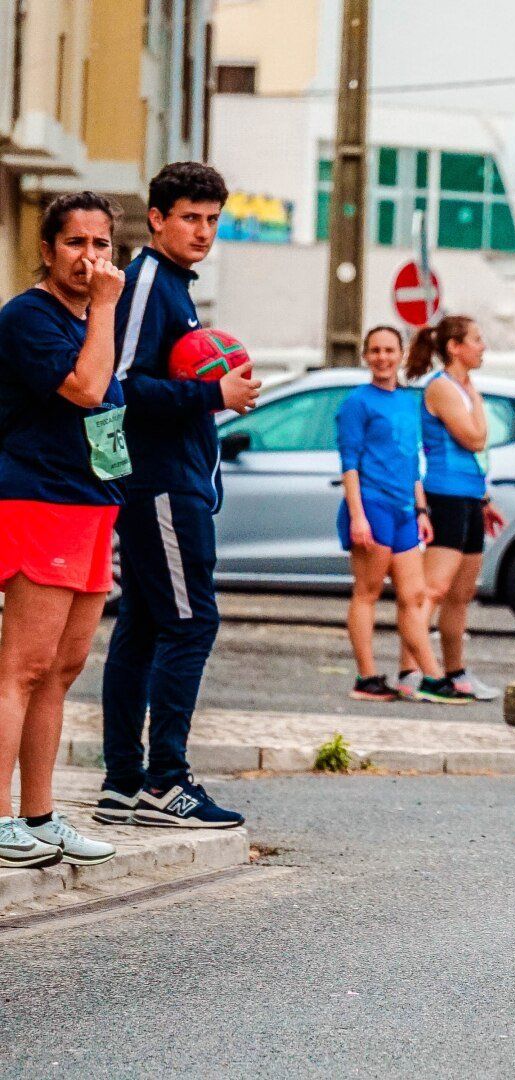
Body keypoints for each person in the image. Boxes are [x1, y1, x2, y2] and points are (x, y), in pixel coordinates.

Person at [98, 162, 258, 830]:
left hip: (173, 482)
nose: (203, 231)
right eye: (190, 217)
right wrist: (212, 395)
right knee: (192, 623)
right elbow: (119, 384)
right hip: (161, 486)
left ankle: (123, 783)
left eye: (213, 219)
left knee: (142, 623)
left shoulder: (175, 289)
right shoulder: (148, 283)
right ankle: (166, 781)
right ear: (157, 218)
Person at [0, 192, 127, 868]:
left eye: (101, 244)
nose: (90, 257)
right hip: (38, 501)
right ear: (47, 250)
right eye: (75, 243)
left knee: (62, 669)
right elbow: (85, 389)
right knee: (20, 667)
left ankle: (39, 814)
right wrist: (105, 308)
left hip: (90, 503)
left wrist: (101, 315)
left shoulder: (93, 320)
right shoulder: (29, 318)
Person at [336, 326, 464, 704]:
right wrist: (358, 517)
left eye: (389, 350)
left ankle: (432, 677)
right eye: (374, 350)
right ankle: (367, 677)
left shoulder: (409, 401)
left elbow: (411, 463)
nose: (382, 357)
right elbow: (349, 465)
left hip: (405, 512)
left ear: (401, 353)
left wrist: (422, 510)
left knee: (414, 596)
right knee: (368, 593)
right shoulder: (357, 402)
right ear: (365, 355)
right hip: (371, 508)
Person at [398, 316, 505, 704]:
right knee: (433, 589)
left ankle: (455, 671)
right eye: (476, 340)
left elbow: (477, 452)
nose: (483, 346)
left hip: (469, 496)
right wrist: (475, 401)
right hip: (444, 495)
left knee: (461, 594)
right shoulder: (443, 387)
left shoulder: (463, 387)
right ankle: (413, 671)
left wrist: (485, 500)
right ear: (454, 347)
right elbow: (475, 438)